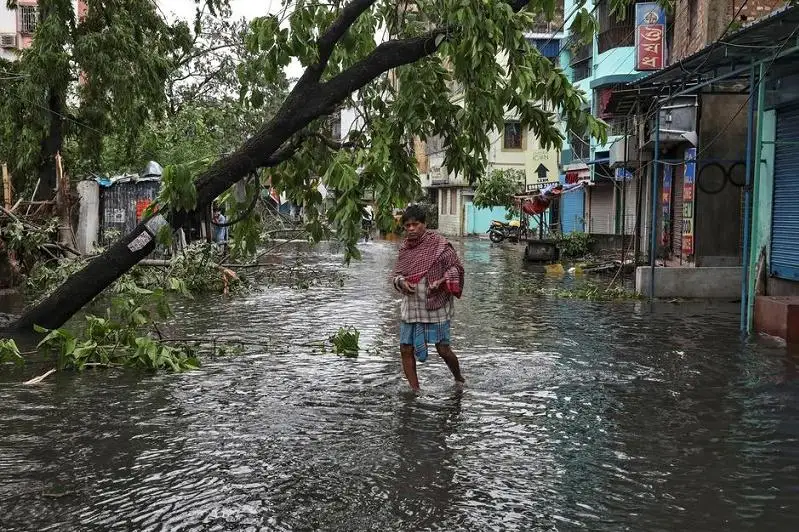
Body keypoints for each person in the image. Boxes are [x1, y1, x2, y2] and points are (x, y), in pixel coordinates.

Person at [392, 204, 465, 392]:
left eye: (415, 224)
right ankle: (415, 390)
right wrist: (401, 282)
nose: (411, 229)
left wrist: (442, 281)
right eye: (407, 226)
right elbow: (397, 274)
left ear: (424, 224)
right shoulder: (404, 250)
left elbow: (456, 268)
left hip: (436, 305)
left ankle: (459, 379)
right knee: (405, 349)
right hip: (412, 304)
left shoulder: (440, 245)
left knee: (443, 349)